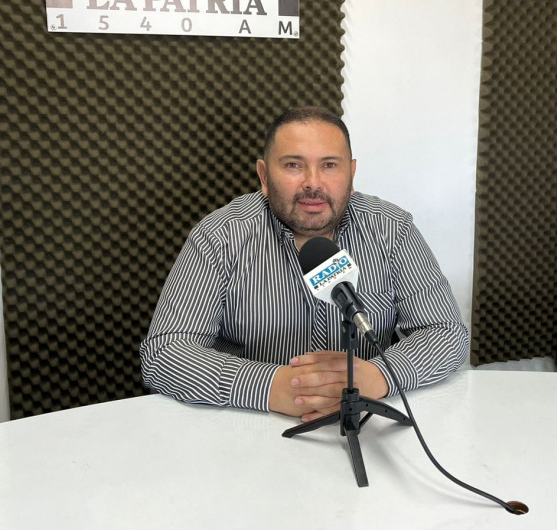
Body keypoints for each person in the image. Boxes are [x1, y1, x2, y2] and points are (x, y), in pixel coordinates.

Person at [140, 107, 469, 423]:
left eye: (329, 165)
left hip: (366, 421)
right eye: (294, 165)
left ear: (351, 174)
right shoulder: (220, 236)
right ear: (264, 175)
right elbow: (164, 354)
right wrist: (273, 387)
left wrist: (378, 375)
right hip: (251, 426)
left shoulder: (392, 229)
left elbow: (447, 333)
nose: (313, 183)